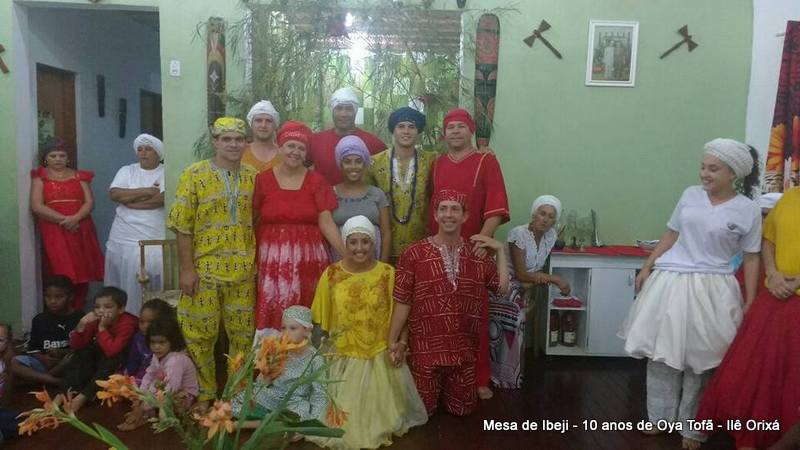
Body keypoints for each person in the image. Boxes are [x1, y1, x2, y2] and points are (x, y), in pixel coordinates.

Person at [618, 138, 762, 450]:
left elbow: (752, 257)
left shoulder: (748, 210)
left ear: (733, 173)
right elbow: (671, 234)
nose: (704, 174)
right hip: (671, 281)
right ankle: (659, 418)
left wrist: (751, 299)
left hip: (714, 287)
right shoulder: (690, 195)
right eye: (703, 167)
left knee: (703, 360)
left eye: (713, 169)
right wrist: (647, 266)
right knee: (662, 354)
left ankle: (694, 426)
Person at [388, 190, 510, 416]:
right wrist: (392, 341)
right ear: (435, 215)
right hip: (426, 353)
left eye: (455, 209)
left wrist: (500, 250)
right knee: (422, 412)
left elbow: (502, 289)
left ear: (465, 216)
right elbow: (403, 301)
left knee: (463, 411)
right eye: (443, 209)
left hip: (464, 353)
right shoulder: (413, 254)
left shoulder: (477, 255)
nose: (449, 214)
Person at [695, 187, 800, 450]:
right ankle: (752, 432)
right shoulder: (790, 197)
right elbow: (768, 240)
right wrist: (772, 272)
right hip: (774, 296)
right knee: (756, 371)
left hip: (793, 298)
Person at [310, 216, 427, 448]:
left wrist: (402, 344)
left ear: (374, 243)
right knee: (343, 422)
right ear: (345, 243)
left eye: (365, 241)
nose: (359, 248)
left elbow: (400, 314)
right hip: (343, 357)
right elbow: (320, 322)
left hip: (380, 355)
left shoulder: (387, 274)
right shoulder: (331, 275)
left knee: (383, 420)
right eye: (353, 242)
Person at [168, 117, 257, 404]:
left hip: (244, 270)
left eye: (238, 139)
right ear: (215, 142)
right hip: (204, 269)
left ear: (246, 143)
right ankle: (205, 392)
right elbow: (182, 226)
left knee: (243, 334)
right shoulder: (194, 175)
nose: (233, 144)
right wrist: (186, 270)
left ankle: (237, 394)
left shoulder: (254, 177)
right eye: (226, 139)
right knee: (200, 333)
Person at [429, 108, 510, 400]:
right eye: (450, 127)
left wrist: (482, 243)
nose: (455, 131)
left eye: (461, 126)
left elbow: (497, 207)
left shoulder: (486, 161)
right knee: (440, 314)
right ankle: (440, 375)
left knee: (474, 316)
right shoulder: (437, 164)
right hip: (441, 249)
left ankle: (478, 378)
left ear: (471, 130)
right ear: (443, 133)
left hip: (474, 250)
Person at [253, 120, 344, 332]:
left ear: (306, 153)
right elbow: (252, 219)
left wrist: (346, 255)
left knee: (308, 309)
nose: (295, 152)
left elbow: (326, 222)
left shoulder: (317, 181)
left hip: (309, 259)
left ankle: (310, 352)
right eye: (290, 146)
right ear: (279, 147)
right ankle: (273, 352)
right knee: (275, 307)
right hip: (272, 260)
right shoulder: (262, 180)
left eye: (301, 148)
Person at [488, 195, 571, 389]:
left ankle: (514, 374)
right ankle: (502, 376)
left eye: (551, 216)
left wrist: (531, 286)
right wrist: (555, 279)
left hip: (524, 285)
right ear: (534, 214)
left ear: (555, 221)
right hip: (503, 284)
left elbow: (535, 270)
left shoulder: (550, 236)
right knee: (518, 317)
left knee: (524, 314)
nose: (545, 219)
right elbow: (521, 274)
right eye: (542, 213)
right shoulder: (518, 234)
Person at [30, 139, 104, 309]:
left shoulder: (80, 176)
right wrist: (65, 220)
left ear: (68, 158)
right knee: (62, 268)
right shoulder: (40, 177)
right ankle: (59, 310)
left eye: (62, 155)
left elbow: (89, 202)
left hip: (80, 227)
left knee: (82, 270)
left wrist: (76, 218)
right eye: (53, 155)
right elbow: (36, 206)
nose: (58, 159)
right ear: (46, 158)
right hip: (54, 228)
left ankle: (78, 310)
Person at [232, 306, 327, 430]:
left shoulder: (315, 359)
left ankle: (251, 424)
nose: (286, 333)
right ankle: (268, 421)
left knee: (300, 414)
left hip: (294, 401)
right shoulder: (278, 349)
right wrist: (265, 378)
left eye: (293, 328)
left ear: (307, 330)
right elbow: (261, 380)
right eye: (283, 328)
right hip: (271, 395)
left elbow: (320, 395)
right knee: (237, 404)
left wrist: (312, 421)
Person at [105, 133, 166, 313]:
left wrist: (131, 202)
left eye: (148, 149)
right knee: (123, 278)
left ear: (158, 153)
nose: (143, 153)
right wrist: (147, 191)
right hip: (123, 235)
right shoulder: (127, 170)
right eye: (140, 149)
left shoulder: (165, 171)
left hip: (153, 233)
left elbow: (161, 199)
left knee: (149, 279)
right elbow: (115, 194)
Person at [367, 107, 435, 263]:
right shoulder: (374, 163)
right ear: (393, 130)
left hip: (422, 247)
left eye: (411, 127)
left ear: (418, 131)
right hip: (385, 248)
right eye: (401, 126)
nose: (406, 131)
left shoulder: (432, 161)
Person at [62, 286, 138, 413]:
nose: (101, 311)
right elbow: (77, 346)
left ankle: (83, 397)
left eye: (108, 307)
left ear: (121, 309)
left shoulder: (127, 323)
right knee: (81, 353)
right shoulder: (95, 319)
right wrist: (81, 325)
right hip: (103, 357)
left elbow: (112, 351)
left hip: (123, 362)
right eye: (97, 307)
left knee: (111, 360)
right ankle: (62, 394)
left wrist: (102, 328)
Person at [118, 316, 199, 431]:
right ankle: (145, 412)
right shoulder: (157, 355)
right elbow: (149, 375)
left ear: (171, 341)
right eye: (153, 342)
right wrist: (140, 396)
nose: (156, 347)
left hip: (183, 394)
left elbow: (171, 389)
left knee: (172, 402)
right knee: (139, 391)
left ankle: (144, 415)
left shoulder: (176, 360)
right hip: (163, 387)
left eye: (162, 342)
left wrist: (143, 406)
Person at [11, 275, 82, 386]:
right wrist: (43, 358)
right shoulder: (39, 319)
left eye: (59, 297)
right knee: (14, 362)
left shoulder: (80, 318)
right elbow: (33, 349)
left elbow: (83, 348)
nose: (52, 301)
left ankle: (40, 379)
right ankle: (56, 381)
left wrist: (62, 352)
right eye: (48, 297)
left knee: (75, 358)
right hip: (44, 364)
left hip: (68, 363)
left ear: (70, 297)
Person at [308, 87, 386, 185]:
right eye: (339, 108)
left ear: (355, 111)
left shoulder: (373, 143)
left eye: (349, 109)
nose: (343, 114)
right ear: (332, 111)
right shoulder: (316, 141)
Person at [331, 135, 391, 262]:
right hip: (340, 259)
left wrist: (383, 264)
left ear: (365, 163)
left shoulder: (377, 194)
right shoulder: (331, 193)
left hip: (373, 259)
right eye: (347, 162)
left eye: (358, 161)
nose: (353, 166)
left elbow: (386, 233)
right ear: (340, 164)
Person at [123, 297, 174, 385]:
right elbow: (133, 361)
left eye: (151, 322)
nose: (145, 326)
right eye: (142, 322)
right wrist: (127, 376)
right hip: (141, 376)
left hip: (164, 379)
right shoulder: (138, 338)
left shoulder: (169, 339)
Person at [242, 100, 281, 172]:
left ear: (275, 125)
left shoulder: (284, 154)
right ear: (251, 124)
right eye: (258, 120)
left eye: (268, 121)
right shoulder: (240, 152)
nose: (263, 125)